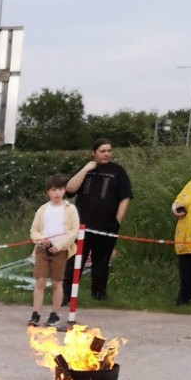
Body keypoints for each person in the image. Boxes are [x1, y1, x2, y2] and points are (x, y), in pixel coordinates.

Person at [64, 137, 133, 302]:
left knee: (101, 262)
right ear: (93, 153)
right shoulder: (86, 170)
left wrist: (118, 220)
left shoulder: (118, 171)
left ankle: (99, 294)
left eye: (109, 151)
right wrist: (86, 169)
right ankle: (67, 295)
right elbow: (70, 189)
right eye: (102, 151)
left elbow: (125, 197)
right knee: (75, 260)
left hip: (107, 224)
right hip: (82, 226)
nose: (106, 154)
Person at [28, 174, 80, 327]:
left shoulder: (70, 209)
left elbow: (74, 231)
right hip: (42, 250)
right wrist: (41, 239)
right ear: (48, 192)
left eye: (61, 189)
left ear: (64, 191)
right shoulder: (42, 210)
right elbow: (34, 231)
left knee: (57, 283)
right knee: (40, 281)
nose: (57, 193)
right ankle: (35, 313)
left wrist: (60, 245)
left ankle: (54, 314)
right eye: (54, 189)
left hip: (60, 250)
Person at [171, 172, 191, 305]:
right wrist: (176, 209)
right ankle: (183, 302)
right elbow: (178, 202)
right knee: (187, 274)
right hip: (188, 241)